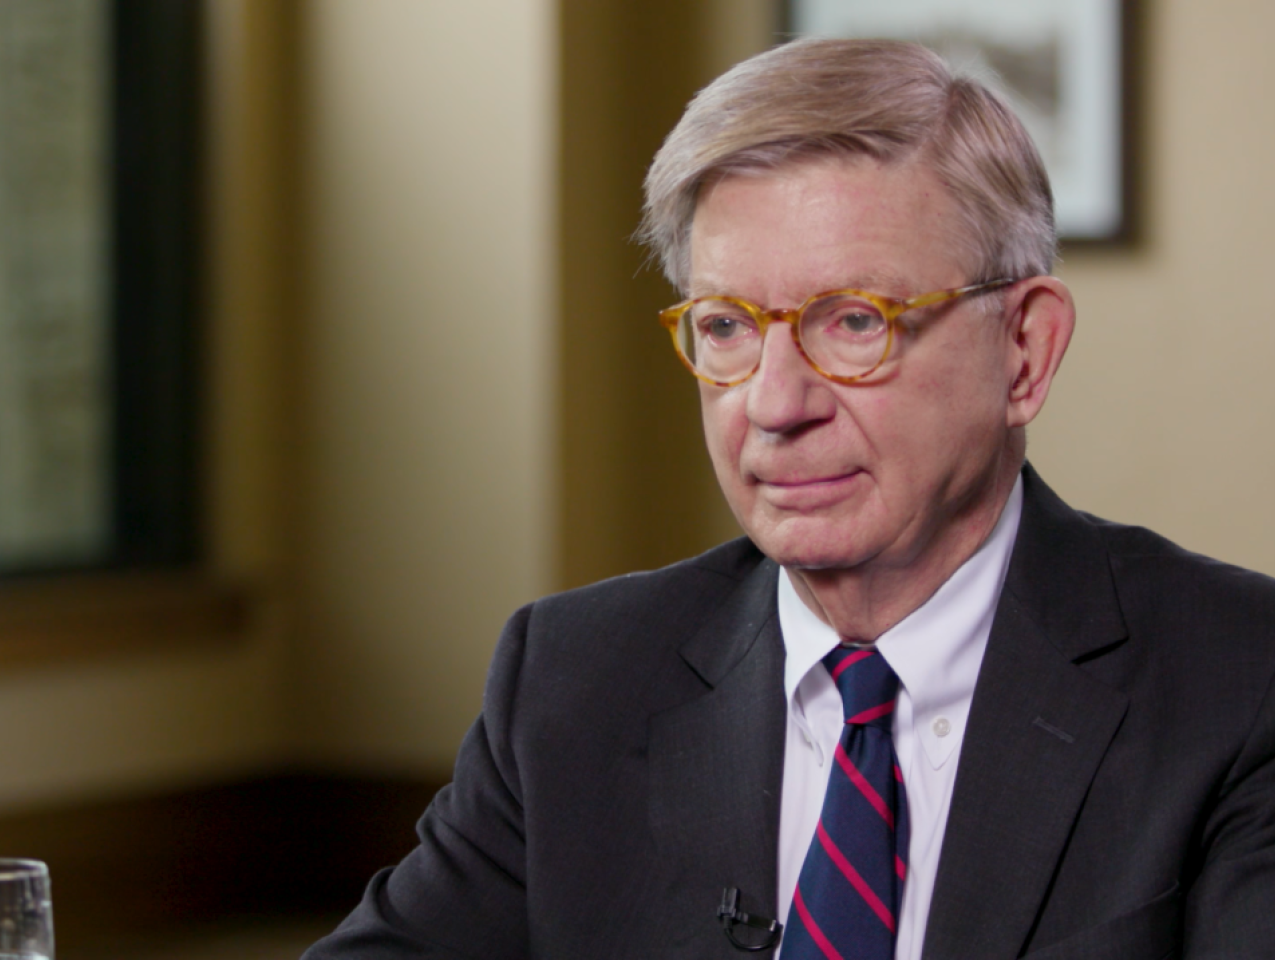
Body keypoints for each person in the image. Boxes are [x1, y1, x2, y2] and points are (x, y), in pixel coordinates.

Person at [302, 38, 1275, 960]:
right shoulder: (574, 682)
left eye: (854, 322)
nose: (772, 405)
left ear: (1024, 352)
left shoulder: (1237, 681)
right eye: (726, 327)